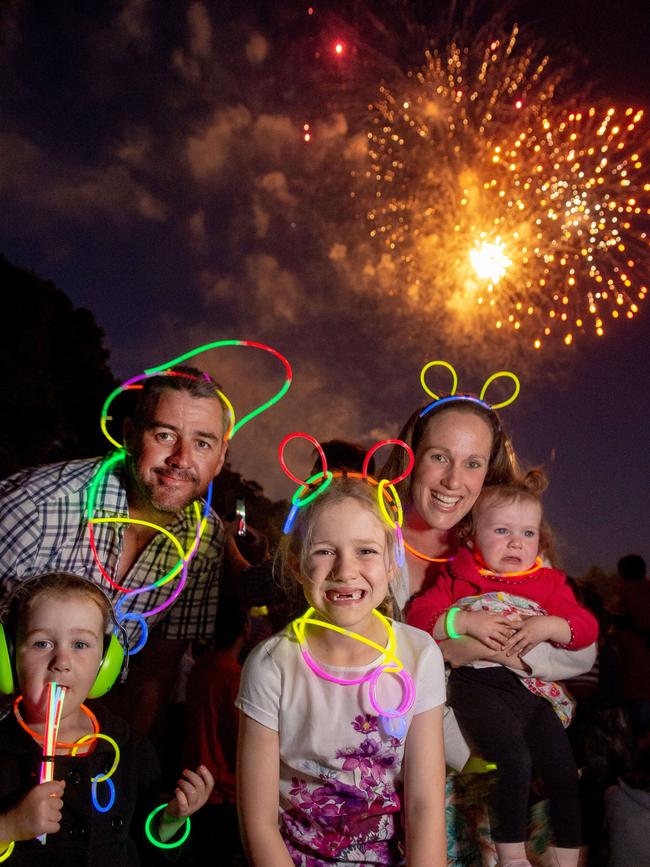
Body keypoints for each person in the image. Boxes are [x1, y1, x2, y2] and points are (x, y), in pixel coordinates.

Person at [380, 377, 598, 865]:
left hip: (499, 779)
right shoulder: (370, 542)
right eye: (439, 456)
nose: (453, 480)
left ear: (489, 473)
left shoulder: (506, 549)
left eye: (473, 463)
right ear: (411, 454)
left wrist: (522, 651)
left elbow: (570, 653)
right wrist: (455, 646)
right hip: (394, 779)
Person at [0, 365, 229, 732]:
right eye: (165, 435)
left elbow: (157, 670)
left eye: (202, 443)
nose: (182, 459)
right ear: (129, 434)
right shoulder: (35, 506)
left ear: (220, 457)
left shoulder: (207, 540)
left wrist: (124, 770)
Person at [236, 476, 447, 866]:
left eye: (365, 550)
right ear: (297, 565)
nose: (345, 570)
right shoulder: (270, 665)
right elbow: (259, 822)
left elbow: (423, 805)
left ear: (390, 561)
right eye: (324, 551)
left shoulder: (420, 655)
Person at [408, 473, 598, 867]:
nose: (516, 542)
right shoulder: (459, 576)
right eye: (501, 530)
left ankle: (567, 858)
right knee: (514, 759)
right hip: (477, 683)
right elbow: (420, 615)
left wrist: (550, 626)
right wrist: (463, 621)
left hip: (531, 690)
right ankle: (512, 856)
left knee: (562, 771)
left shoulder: (548, 583)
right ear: (471, 536)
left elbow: (586, 629)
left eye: (528, 533)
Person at [0, 572, 214, 865]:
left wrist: (171, 818)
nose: (61, 662)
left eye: (80, 645)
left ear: (106, 663)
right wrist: (9, 827)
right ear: (9, 656)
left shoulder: (130, 747)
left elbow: (145, 837)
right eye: (41, 643)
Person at [182, 595, 250, 865]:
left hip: (194, 783)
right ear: (245, 627)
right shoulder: (233, 675)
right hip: (223, 793)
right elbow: (238, 736)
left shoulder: (202, 667)